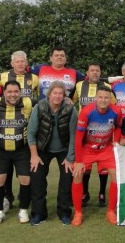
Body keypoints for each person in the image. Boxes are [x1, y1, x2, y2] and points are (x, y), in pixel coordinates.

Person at [27, 81, 77, 226]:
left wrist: (70, 157)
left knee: (67, 178)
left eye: (60, 93)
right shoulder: (39, 107)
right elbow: (31, 133)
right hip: (43, 149)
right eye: (54, 93)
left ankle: (64, 213)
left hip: (64, 148)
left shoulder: (70, 109)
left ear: (64, 96)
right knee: (37, 178)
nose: (57, 96)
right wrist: (34, 156)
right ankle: (38, 213)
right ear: (49, 94)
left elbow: (74, 135)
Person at [71, 86, 122, 226]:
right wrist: (79, 160)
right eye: (100, 97)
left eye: (106, 98)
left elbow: (118, 127)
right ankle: (78, 213)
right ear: (95, 98)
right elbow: (78, 137)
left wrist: (115, 141)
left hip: (105, 149)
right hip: (87, 149)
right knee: (77, 174)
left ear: (110, 99)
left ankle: (111, 211)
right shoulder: (87, 111)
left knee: (116, 175)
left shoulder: (116, 111)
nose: (103, 100)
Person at [0, 51, 39, 209]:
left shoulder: (34, 78)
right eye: (17, 62)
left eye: (23, 61)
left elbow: (38, 100)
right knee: (4, 168)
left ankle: (23, 196)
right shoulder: (2, 77)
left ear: (26, 63)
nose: (20, 64)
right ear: (12, 63)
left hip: (24, 125)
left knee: (24, 169)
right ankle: (7, 196)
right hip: (6, 121)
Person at [0, 81, 34, 224]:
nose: (13, 94)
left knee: (25, 180)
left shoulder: (28, 102)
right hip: (1, 150)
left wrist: (66, 99)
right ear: (4, 92)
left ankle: (23, 211)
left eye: (16, 91)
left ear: (20, 92)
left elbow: (49, 101)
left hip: (22, 149)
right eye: (9, 91)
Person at [73, 63, 115, 208]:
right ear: (87, 72)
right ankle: (84, 193)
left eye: (98, 70)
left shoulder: (106, 87)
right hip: (85, 133)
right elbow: (71, 100)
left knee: (104, 169)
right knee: (85, 169)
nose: (95, 73)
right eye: (92, 70)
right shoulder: (79, 85)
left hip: (103, 134)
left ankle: (102, 192)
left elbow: (113, 107)